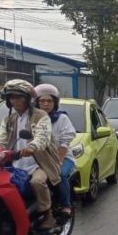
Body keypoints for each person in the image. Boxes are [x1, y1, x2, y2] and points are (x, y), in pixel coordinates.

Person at [0, 80, 62, 230]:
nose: (15, 101)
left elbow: (42, 137)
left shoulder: (41, 115)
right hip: (16, 164)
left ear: (28, 99)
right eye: (12, 97)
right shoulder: (9, 120)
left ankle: (47, 215)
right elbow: (1, 141)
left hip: (40, 163)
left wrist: (32, 147)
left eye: (19, 97)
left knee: (37, 182)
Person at [34, 84, 77, 216]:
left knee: (60, 174)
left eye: (49, 101)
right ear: (37, 102)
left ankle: (66, 204)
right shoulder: (33, 119)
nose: (46, 104)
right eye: (42, 101)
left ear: (55, 103)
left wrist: (58, 162)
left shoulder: (62, 119)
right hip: (38, 159)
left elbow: (64, 144)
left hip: (62, 158)